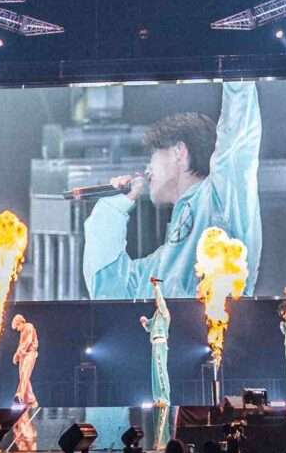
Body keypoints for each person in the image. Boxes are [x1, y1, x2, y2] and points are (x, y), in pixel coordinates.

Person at [83, 81, 261, 298]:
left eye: (153, 155)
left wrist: (237, 75)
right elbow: (110, 292)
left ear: (179, 152)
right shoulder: (162, 264)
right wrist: (111, 211)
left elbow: (238, 140)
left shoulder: (221, 198)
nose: (147, 169)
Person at [143, 284, 173, 409]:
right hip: (155, 344)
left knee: (161, 370)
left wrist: (156, 287)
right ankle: (158, 398)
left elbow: (160, 301)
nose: (157, 302)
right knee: (155, 372)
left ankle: (165, 399)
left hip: (160, 343)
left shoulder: (164, 313)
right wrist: (144, 321)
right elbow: (149, 327)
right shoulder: (156, 315)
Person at [11, 313, 40, 411]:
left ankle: (20, 396)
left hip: (29, 354)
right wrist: (16, 355)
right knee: (23, 376)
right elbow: (21, 345)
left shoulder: (29, 327)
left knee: (24, 374)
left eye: (17, 327)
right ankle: (31, 400)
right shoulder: (22, 331)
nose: (17, 329)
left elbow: (28, 341)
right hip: (23, 355)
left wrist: (20, 352)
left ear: (20, 322)